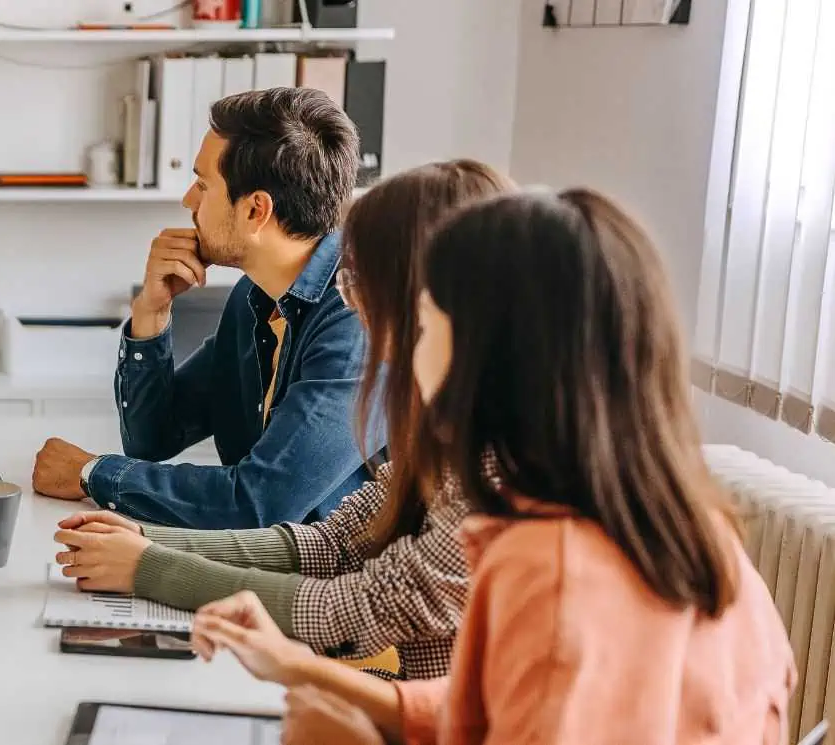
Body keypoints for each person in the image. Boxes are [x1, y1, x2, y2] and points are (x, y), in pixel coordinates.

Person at [190, 189, 795, 744]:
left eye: (425, 323)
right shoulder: (690, 525)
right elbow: (504, 702)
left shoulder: (545, 562)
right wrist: (306, 670)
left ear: (488, 350)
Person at [53, 160, 513, 681]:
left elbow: (345, 599)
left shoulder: (503, 475)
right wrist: (145, 538)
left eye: (204, 183)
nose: (365, 315)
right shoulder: (448, 438)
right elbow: (332, 543)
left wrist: (146, 564)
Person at [32, 87, 371, 530]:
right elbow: (154, 440)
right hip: (253, 568)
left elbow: (260, 503)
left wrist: (90, 473)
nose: (189, 200)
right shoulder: (253, 298)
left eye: (204, 184)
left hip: (326, 588)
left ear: (255, 211)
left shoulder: (357, 317)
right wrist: (151, 314)